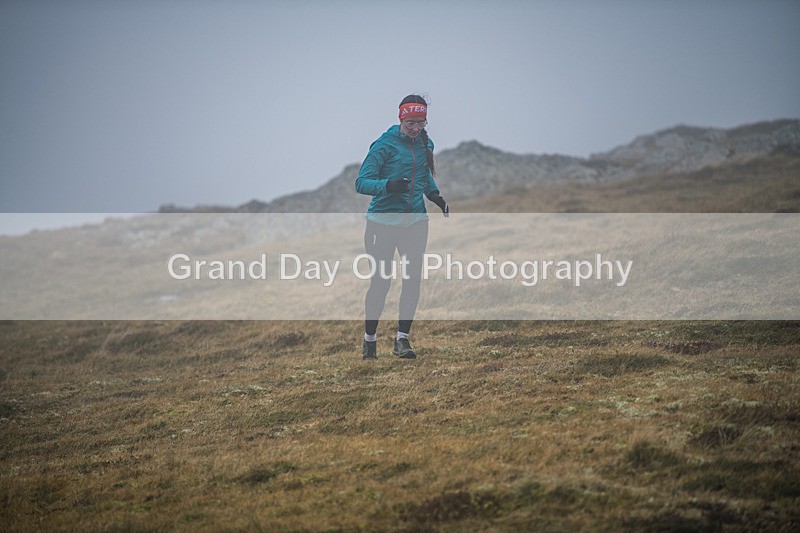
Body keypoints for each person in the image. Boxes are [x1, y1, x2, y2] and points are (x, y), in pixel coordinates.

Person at [355, 94, 449, 360]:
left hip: (415, 223)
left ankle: (402, 340)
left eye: (421, 123)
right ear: (401, 119)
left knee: (412, 279)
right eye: (411, 123)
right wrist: (388, 186)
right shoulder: (383, 145)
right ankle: (369, 342)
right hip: (381, 224)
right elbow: (361, 183)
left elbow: (423, 176)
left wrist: (435, 195)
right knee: (381, 282)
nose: (416, 128)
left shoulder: (426, 143)